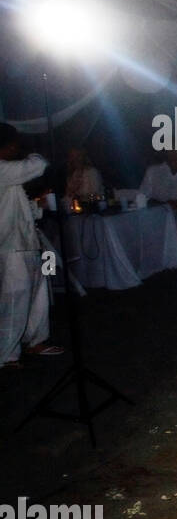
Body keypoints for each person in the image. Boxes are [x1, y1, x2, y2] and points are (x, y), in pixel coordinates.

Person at [0, 124, 62, 367]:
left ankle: (36, 340)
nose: (17, 148)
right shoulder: (3, 169)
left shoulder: (8, 173)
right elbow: (36, 166)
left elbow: (15, 206)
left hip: (27, 241)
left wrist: (38, 208)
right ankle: (6, 353)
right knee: (15, 299)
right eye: (14, 144)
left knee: (38, 293)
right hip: (10, 246)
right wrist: (35, 152)